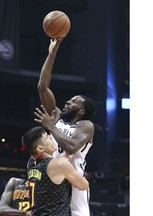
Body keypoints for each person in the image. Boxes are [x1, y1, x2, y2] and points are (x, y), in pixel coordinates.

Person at [35, 38, 102, 216]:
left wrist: (51, 126)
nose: (68, 101)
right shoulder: (57, 117)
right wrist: (52, 53)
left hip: (74, 183)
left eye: (74, 102)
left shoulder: (86, 125)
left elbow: (71, 146)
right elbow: (42, 87)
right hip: (54, 180)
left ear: (81, 111)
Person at [21, 126, 89, 216]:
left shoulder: (30, 164)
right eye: (47, 137)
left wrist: (64, 161)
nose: (51, 138)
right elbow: (84, 185)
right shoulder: (60, 165)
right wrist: (67, 165)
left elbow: (50, 174)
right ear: (40, 149)